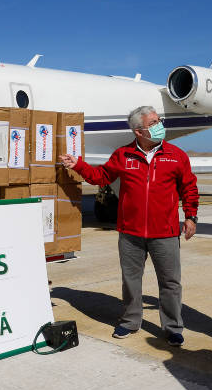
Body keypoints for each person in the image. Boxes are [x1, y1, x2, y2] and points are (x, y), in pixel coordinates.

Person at [60, 106, 199, 346]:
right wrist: (78, 165)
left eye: (159, 120)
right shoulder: (123, 155)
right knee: (131, 281)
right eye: (153, 123)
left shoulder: (176, 155)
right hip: (130, 233)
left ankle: (173, 327)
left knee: (170, 282)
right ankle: (130, 321)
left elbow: (189, 187)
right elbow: (100, 176)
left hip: (164, 233)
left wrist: (190, 216)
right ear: (138, 131)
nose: (159, 125)